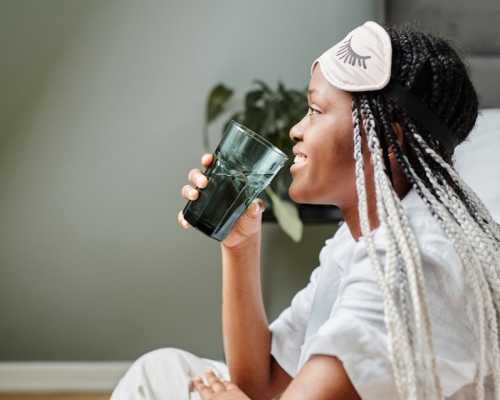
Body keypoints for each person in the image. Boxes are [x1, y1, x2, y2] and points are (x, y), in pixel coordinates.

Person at [111, 20, 500, 400]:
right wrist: (240, 245)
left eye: (315, 110)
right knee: (161, 369)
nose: (297, 129)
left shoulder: (410, 267)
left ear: (383, 136)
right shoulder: (357, 239)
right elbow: (262, 383)